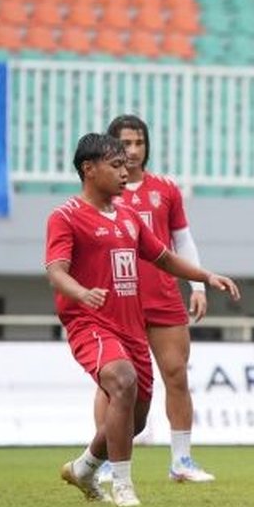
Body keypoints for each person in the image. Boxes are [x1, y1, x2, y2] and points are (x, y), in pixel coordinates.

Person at [48, 134, 239, 507]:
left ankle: (85, 467)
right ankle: (122, 484)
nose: (125, 171)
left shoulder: (128, 217)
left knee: (133, 421)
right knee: (122, 379)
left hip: (130, 324)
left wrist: (205, 277)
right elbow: (56, 270)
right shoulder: (65, 216)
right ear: (89, 169)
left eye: (126, 164)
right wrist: (81, 293)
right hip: (90, 322)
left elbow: (165, 258)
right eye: (116, 165)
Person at [91, 115, 215, 483]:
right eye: (124, 144)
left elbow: (183, 240)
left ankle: (181, 460)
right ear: (110, 147)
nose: (132, 151)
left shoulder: (166, 190)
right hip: (118, 299)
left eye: (138, 143)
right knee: (113, 383)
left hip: (162, 296)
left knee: (176, 375)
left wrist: (198, 286)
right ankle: (108, 462)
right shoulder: (103, 193)